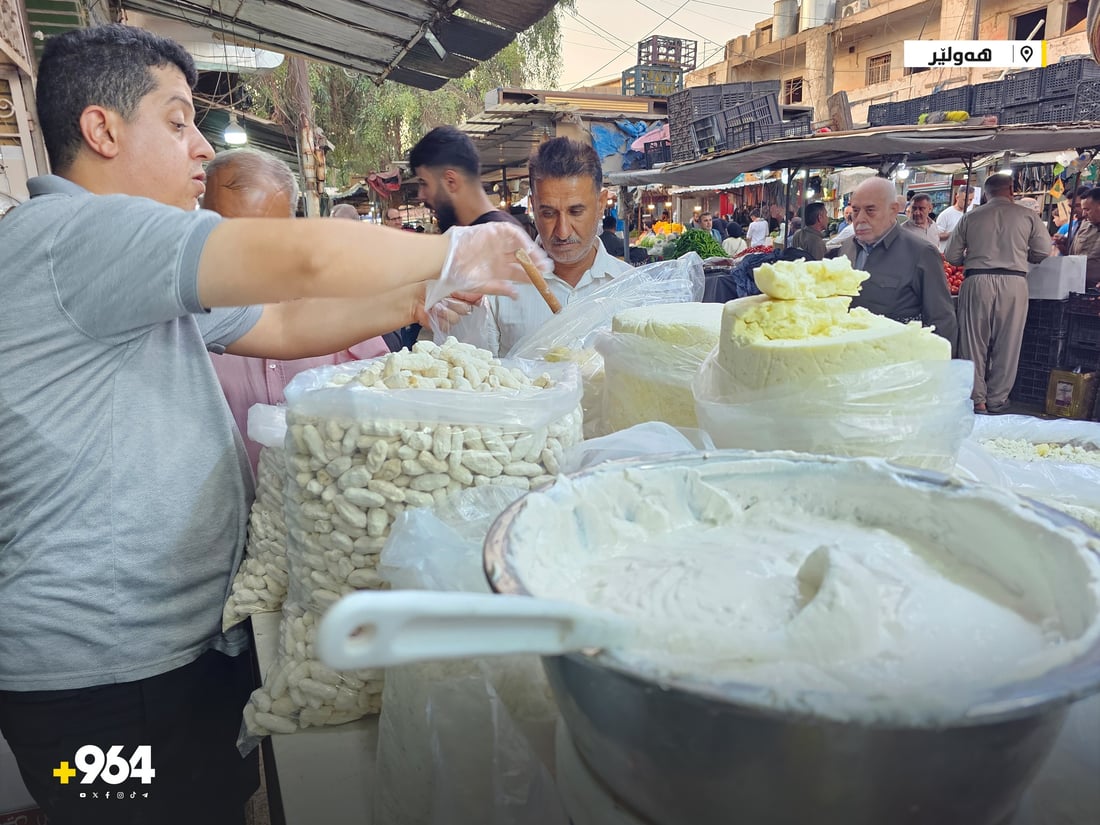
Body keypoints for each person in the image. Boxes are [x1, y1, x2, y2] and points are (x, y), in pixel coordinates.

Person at [0, 24, 550, 825]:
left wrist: (415, 301)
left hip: (164, 659)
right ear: (102, 129)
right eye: (179, 119)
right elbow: (305, 262)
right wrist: (456, 247)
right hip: (106, 681)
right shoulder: (82, 235)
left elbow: (284, 325)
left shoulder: (121, 268)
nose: (200, 149)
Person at [202, 149, 390, 474]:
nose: (248, 250)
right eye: (229, 233)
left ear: (290, 225)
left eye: (265, 234)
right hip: (228, 509)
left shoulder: (337, 301)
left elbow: (382, 392)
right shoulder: (188, 318)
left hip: (327, 505)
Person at [445, 137, 633, 356]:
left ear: (601, 204)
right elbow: (471, 369)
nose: (562, 232)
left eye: (576, 212)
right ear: (533, 206)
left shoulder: (631, 288)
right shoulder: (497, 289)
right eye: (548, 213)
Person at [946, 173, 1050, 413]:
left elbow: (951, 256)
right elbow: (1043, 251)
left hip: (977, 280)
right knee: (1008, 343)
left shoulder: (970, 217)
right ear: (1011, 189)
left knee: (973, 342)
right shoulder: (1028, 216)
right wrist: (1024, 257)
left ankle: (977, 399)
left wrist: (973, 257)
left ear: (986, 192)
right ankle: (997, 399)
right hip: (1014, 281)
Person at [841, 177, 956, 348]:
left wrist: (938, 369)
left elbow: (942, 320)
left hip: (896, 359)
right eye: (856, 211)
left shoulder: (921, 253)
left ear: (893, 210)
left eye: (870, 210)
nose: (860, 219)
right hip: (848, 356)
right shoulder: (847, 247)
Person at [409, 125, 518, 231]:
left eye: (424, 183)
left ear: (450, 181)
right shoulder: (482, 232)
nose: (421, 195)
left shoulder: (497, 237)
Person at [1067, 189, 1100, 289]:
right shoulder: (1084, 227)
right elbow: (1072, 255)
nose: (1083, 214)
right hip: (1079, 289)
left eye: (1087, 209)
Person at [936, 186, 974, 251]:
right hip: (946, 255)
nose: (968, 203)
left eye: (970, 200)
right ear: (957, 197)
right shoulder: (946, 214)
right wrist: (953, 233)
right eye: (965, 200)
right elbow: (936, 236)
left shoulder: (970, 214)